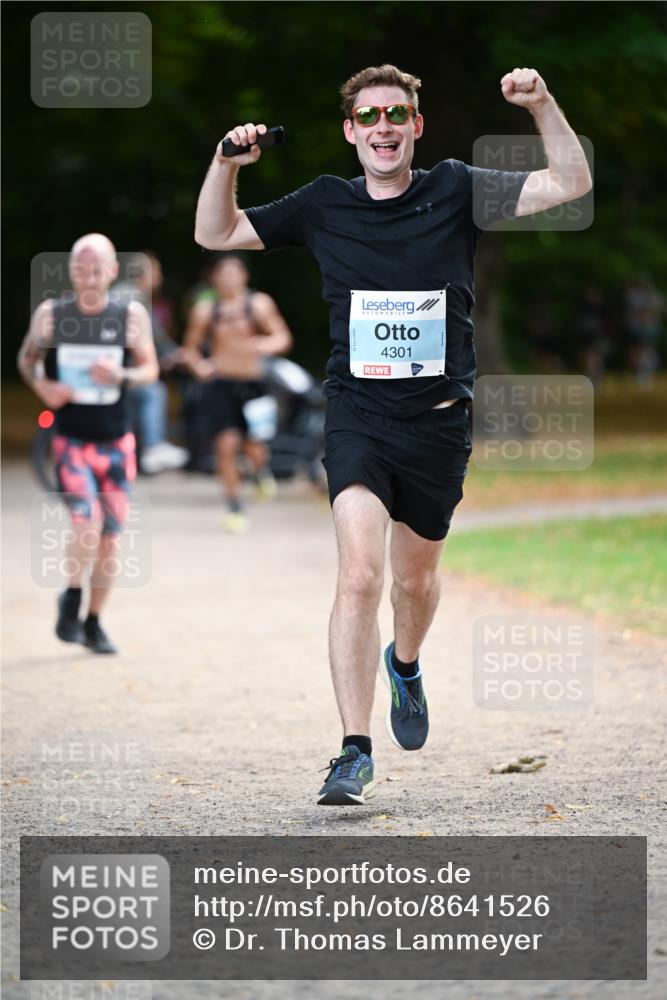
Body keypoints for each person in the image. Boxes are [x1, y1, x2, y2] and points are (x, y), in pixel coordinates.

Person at [194, 65, 592, 804]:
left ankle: (403, 662)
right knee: (359, 575)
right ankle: (352, 749)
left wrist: (540, 105)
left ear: (415, 125)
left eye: (396, 113)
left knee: (413, 580)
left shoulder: (456, 187)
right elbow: (213, 230)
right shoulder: (323, 204)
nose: (382, 126)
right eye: (368, 115)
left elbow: (567, 182)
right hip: (357, 417)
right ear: (350, 130)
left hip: (437, 424)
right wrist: (226, 163)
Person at [17, 233, 159, 654]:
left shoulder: (129, 315)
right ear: (71, 271)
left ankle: (94, 622)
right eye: (81, 267)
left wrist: (123, 377)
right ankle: (72, 594)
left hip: (117, 443)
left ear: (113, 271)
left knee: (111, 539)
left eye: (98, 267)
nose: (89, 275)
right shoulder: (53, 314)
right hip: (72, 441)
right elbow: (27, 360)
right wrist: (43, 386)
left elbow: (150, 369)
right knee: (86, 522)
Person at [182, 253, 293, 532]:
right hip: (222, 385)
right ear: (214, 277)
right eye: (223, 273)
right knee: (226, 445)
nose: (229, 278)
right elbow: (190, 348)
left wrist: (265, 345)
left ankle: (258, 472)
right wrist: (200, 367)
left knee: (255, 446)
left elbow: (282, 336)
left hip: (254, 385)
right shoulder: (206, 310)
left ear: (244, 276)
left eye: (234, 272)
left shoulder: (259, 304)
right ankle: (234, 506)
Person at [114, 251, 189, 474]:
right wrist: (176, 354)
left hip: (113, 365)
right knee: (154, 391)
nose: (160, 277)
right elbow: (154, 336)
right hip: (116, 370)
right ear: (146, 274)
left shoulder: (121, 293)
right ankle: (153, 447)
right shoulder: (134, 296)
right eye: (157, 271)